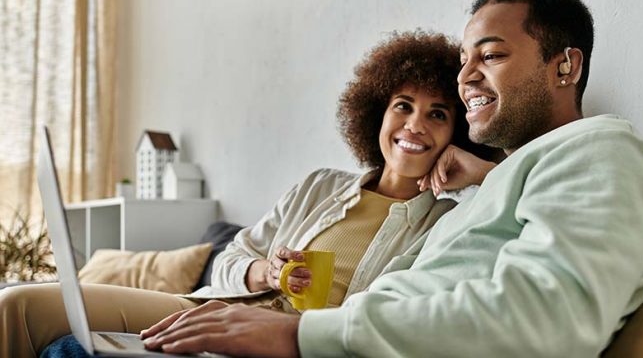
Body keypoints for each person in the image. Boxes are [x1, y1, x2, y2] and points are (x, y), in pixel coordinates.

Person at [139, 0, 643, 358]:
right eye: (465, 60)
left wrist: (297, 336)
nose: (466, 76)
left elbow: (547, 321)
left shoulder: (601, 150)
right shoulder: (504, 187)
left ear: (565, 65)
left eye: (489, 56)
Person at [0, 30, 499, 358]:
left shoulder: (449, 217)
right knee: (19, 303)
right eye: (403, 106)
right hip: (211, 304)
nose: (414, 125)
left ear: (459, 131)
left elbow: (515, 198)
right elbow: (232, 256)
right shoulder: (321, 185)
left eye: (438, 114)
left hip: (281, 340)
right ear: (378, 113)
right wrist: (268, 271)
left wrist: (479, 170)